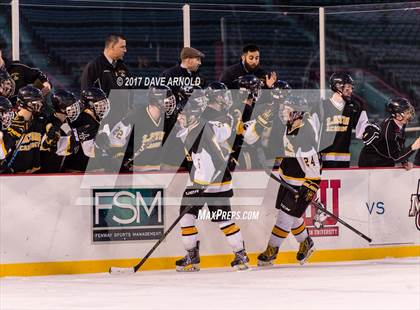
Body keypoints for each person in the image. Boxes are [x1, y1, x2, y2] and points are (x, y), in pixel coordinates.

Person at [175, 92, 250, 272]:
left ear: (192, 116)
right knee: (224, 219)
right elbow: (224, 130)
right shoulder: (207, 124)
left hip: (204, 181)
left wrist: (199, 187)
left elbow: (205, 163)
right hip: (220, 180)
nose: (178, 117)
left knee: (186, 217)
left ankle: (192, 257)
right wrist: (232, 118)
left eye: (182, 114)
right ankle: (241, 255)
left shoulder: (195, 133)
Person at [244, 95, 321, 265]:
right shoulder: (290, 125)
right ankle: (306, 243)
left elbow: (314, 174)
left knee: (284, 218)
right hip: (286, 179)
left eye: (287, 110)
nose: (284, 113)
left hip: (299, 184)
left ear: (298, 113)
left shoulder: (305, 136)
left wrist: (305, 193)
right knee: (292, 217)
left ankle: (272, 249)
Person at [104, 85, 176, 172]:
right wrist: (120, 160)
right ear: (156, 101)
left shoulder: (168, 119)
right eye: (167, 101)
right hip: (135, 170)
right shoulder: (135, 117)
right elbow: (113, 141)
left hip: (155, 169)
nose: (170, 104)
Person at [316, 72, 369, 168]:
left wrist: (371, 130)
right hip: (322, 159)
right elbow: (311, 133)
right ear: (338, 87)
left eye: (351, 88)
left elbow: (363, 130)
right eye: (347, 87)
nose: (350, 91)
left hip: (343, 159)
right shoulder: (321, 106)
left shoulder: (354, 107)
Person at [358, 97, 420, 168]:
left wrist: (405, 161)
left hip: (384, 160)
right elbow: (396, 158)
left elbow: (399, 144)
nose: (409, 115)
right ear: (397, 115)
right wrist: (413, 147)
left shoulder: (401, 123)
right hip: (371, 163)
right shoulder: (388, 130)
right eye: (407, 112)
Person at [4, 86, 49, 173]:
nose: (41, 104)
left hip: (31, 175)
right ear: (28, 103)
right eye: (38, 101)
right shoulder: (9, 120)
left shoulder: (38, 121)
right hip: (10, 176)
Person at [64, 87, 110, 172]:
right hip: (79, 169)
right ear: (90, 104)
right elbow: (89, 151)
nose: (104, 107)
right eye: (100, 104)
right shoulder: (83, 120)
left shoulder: (97, 119)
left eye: (104, 104)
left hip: (89, 168)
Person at [39, 90, 80, 173]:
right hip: (48, 171)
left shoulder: (68, 121)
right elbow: (47, 147)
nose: (75, 108)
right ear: (62, 108)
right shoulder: (50, 123)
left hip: (61, 169)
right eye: (71, 106)